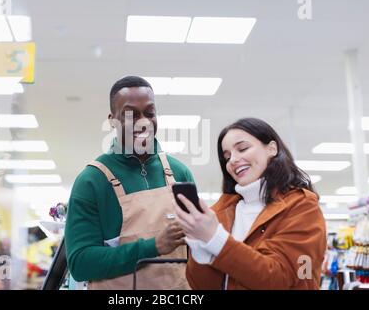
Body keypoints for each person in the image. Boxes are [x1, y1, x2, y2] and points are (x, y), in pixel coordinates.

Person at [65, 75, 194, 289]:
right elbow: (80, 263)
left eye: (149, 113)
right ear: (112, 120)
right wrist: (152, 247)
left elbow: (196, 248)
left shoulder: (180, 174)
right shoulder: (91, 181)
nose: (143, 122)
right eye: (130, 115)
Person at [174, 117, 327, 290]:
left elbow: (279, 279)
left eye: (243, 148)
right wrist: (199, 246)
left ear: (272, 148)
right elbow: (202, 286)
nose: (232, 160)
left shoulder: (301, 207)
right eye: (227, 156)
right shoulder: (221, 211)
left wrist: (215, 238)